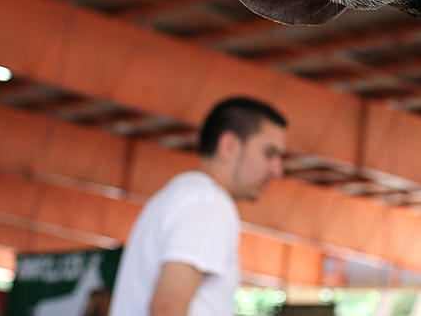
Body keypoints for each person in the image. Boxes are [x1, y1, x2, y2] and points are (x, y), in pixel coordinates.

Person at [108, 96, 287, 316]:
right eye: (269, 154)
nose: (277, 170)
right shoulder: (208, 204)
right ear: (228, 146)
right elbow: (167, 308)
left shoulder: (180, 195)